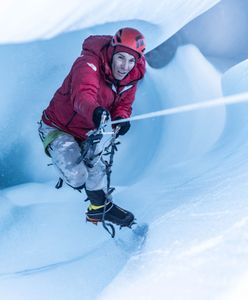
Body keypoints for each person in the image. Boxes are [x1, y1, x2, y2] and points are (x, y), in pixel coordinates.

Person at [38, 27, 146, 228]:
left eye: (132, 60)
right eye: (121, 58)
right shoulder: (88, 64)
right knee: (78, 176)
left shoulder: (132, 78)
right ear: (112, 52)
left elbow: (124, 105)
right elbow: (82, 96)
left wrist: (121, 118)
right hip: (57, 126)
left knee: (96, 170)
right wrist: (96, 112)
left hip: (88, 131)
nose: (125, 66)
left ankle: (99, 209)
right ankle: (60, 156)